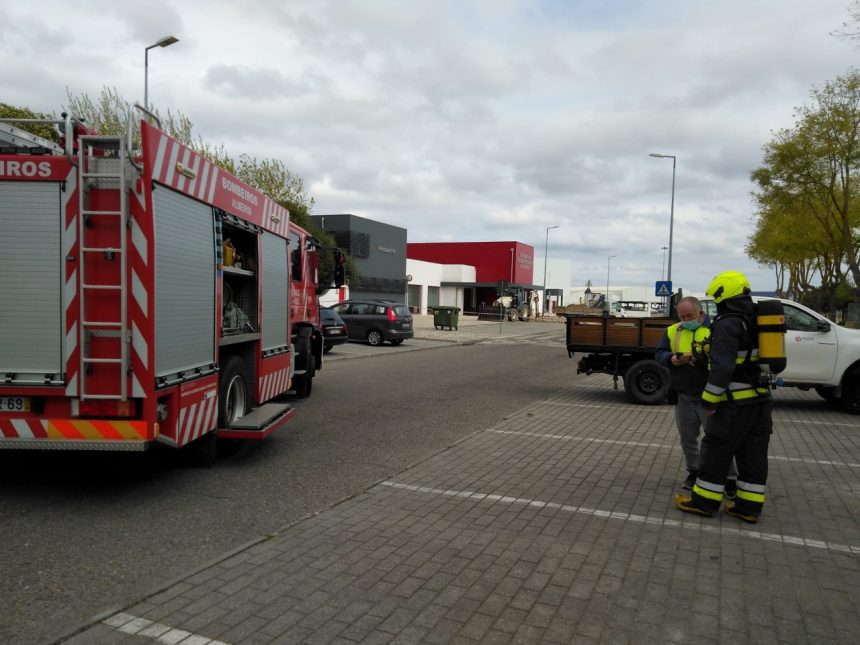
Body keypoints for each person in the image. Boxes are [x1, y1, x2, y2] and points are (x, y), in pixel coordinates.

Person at [674, 271, 773, 524]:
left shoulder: (728, 323)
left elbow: (722, 368)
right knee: (753, 454)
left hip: (734, 403)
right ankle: (748, 507)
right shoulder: (757, 320)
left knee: (715, 449)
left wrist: (709, 400)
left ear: (723, 296)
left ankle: (703, 502)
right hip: (760, 401)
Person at [656, 296, 737, 494]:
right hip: (683, 394)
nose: (686, 320)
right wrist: (671, 359)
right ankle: (694, 471)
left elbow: (724, 360)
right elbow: (659, 353)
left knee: (717, 439)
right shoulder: (672, 330)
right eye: (682, 316)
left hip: (708, 395)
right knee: (688, 438)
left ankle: (730, 479)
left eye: (689, 315)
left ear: (701, 313)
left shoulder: (715, 330)